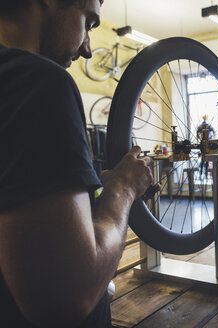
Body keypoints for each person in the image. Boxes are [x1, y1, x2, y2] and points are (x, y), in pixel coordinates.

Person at [0, 1, 156, 327]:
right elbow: (69, 299)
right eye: (89, 22)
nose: (86, 49)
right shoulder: (36, 80)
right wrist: (123, 188)